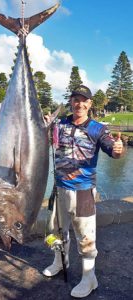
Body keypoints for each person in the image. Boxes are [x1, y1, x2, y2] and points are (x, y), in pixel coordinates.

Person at [43, 85, 124, 298]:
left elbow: (112, 151)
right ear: (71, 102)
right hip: (59, 188)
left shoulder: (98, 129)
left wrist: (117, 150)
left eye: (84, 100)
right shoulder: (59, 124)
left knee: (86, 237)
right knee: (55, 231)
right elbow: (45, 141)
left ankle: (90, 278)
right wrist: (43, 126)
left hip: (83, 192)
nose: (79, 103)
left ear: (90, 104)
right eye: (75, 99)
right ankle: (60, 261)